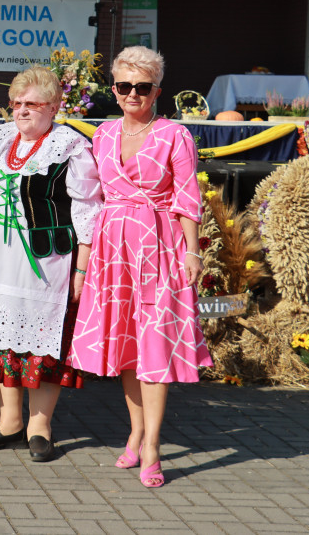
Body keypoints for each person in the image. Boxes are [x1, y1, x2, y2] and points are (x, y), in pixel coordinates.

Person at [67, 46, 212, 487]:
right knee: (128, 345)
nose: (133, 94)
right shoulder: (103, 134)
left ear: (157, 91)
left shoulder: (174, 135)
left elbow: (188, 197)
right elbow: (92, 202)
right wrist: (83, 263)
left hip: (159, 246)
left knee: (155, 344)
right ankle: (134, 433)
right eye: (125, 86)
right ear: (114, 89)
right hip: (113, 249)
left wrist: (192, 252)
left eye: (142, 87)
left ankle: (152, 446)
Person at [0, 66, 103, 462]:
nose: (21, 111)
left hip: (45, 258)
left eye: (31, 104)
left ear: (53, 107)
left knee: (41, 346)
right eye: (15, 104)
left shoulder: (71, 147)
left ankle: (40, 427)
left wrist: (82, 271)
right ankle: (9, 423)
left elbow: (88, 212)